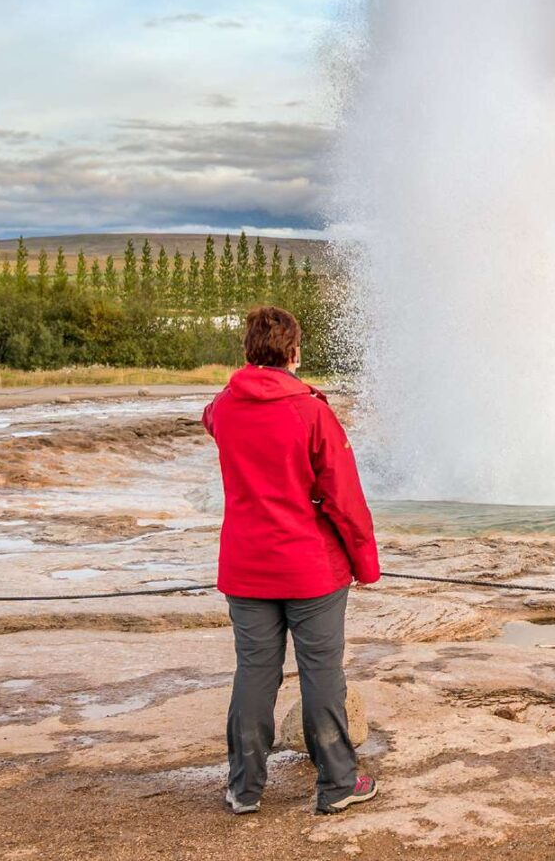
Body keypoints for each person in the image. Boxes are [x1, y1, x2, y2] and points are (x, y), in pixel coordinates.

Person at [203, 306, 381, 816]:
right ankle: (338, 784)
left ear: (248, 351)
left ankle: (243, 789)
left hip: (246, 565)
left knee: (254, 672)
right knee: (321, 671)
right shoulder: (312, 411)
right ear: (295, 352)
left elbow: (210, 418)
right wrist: (365, 564)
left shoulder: (225, 407)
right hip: (310, 568)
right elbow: (344, 497)